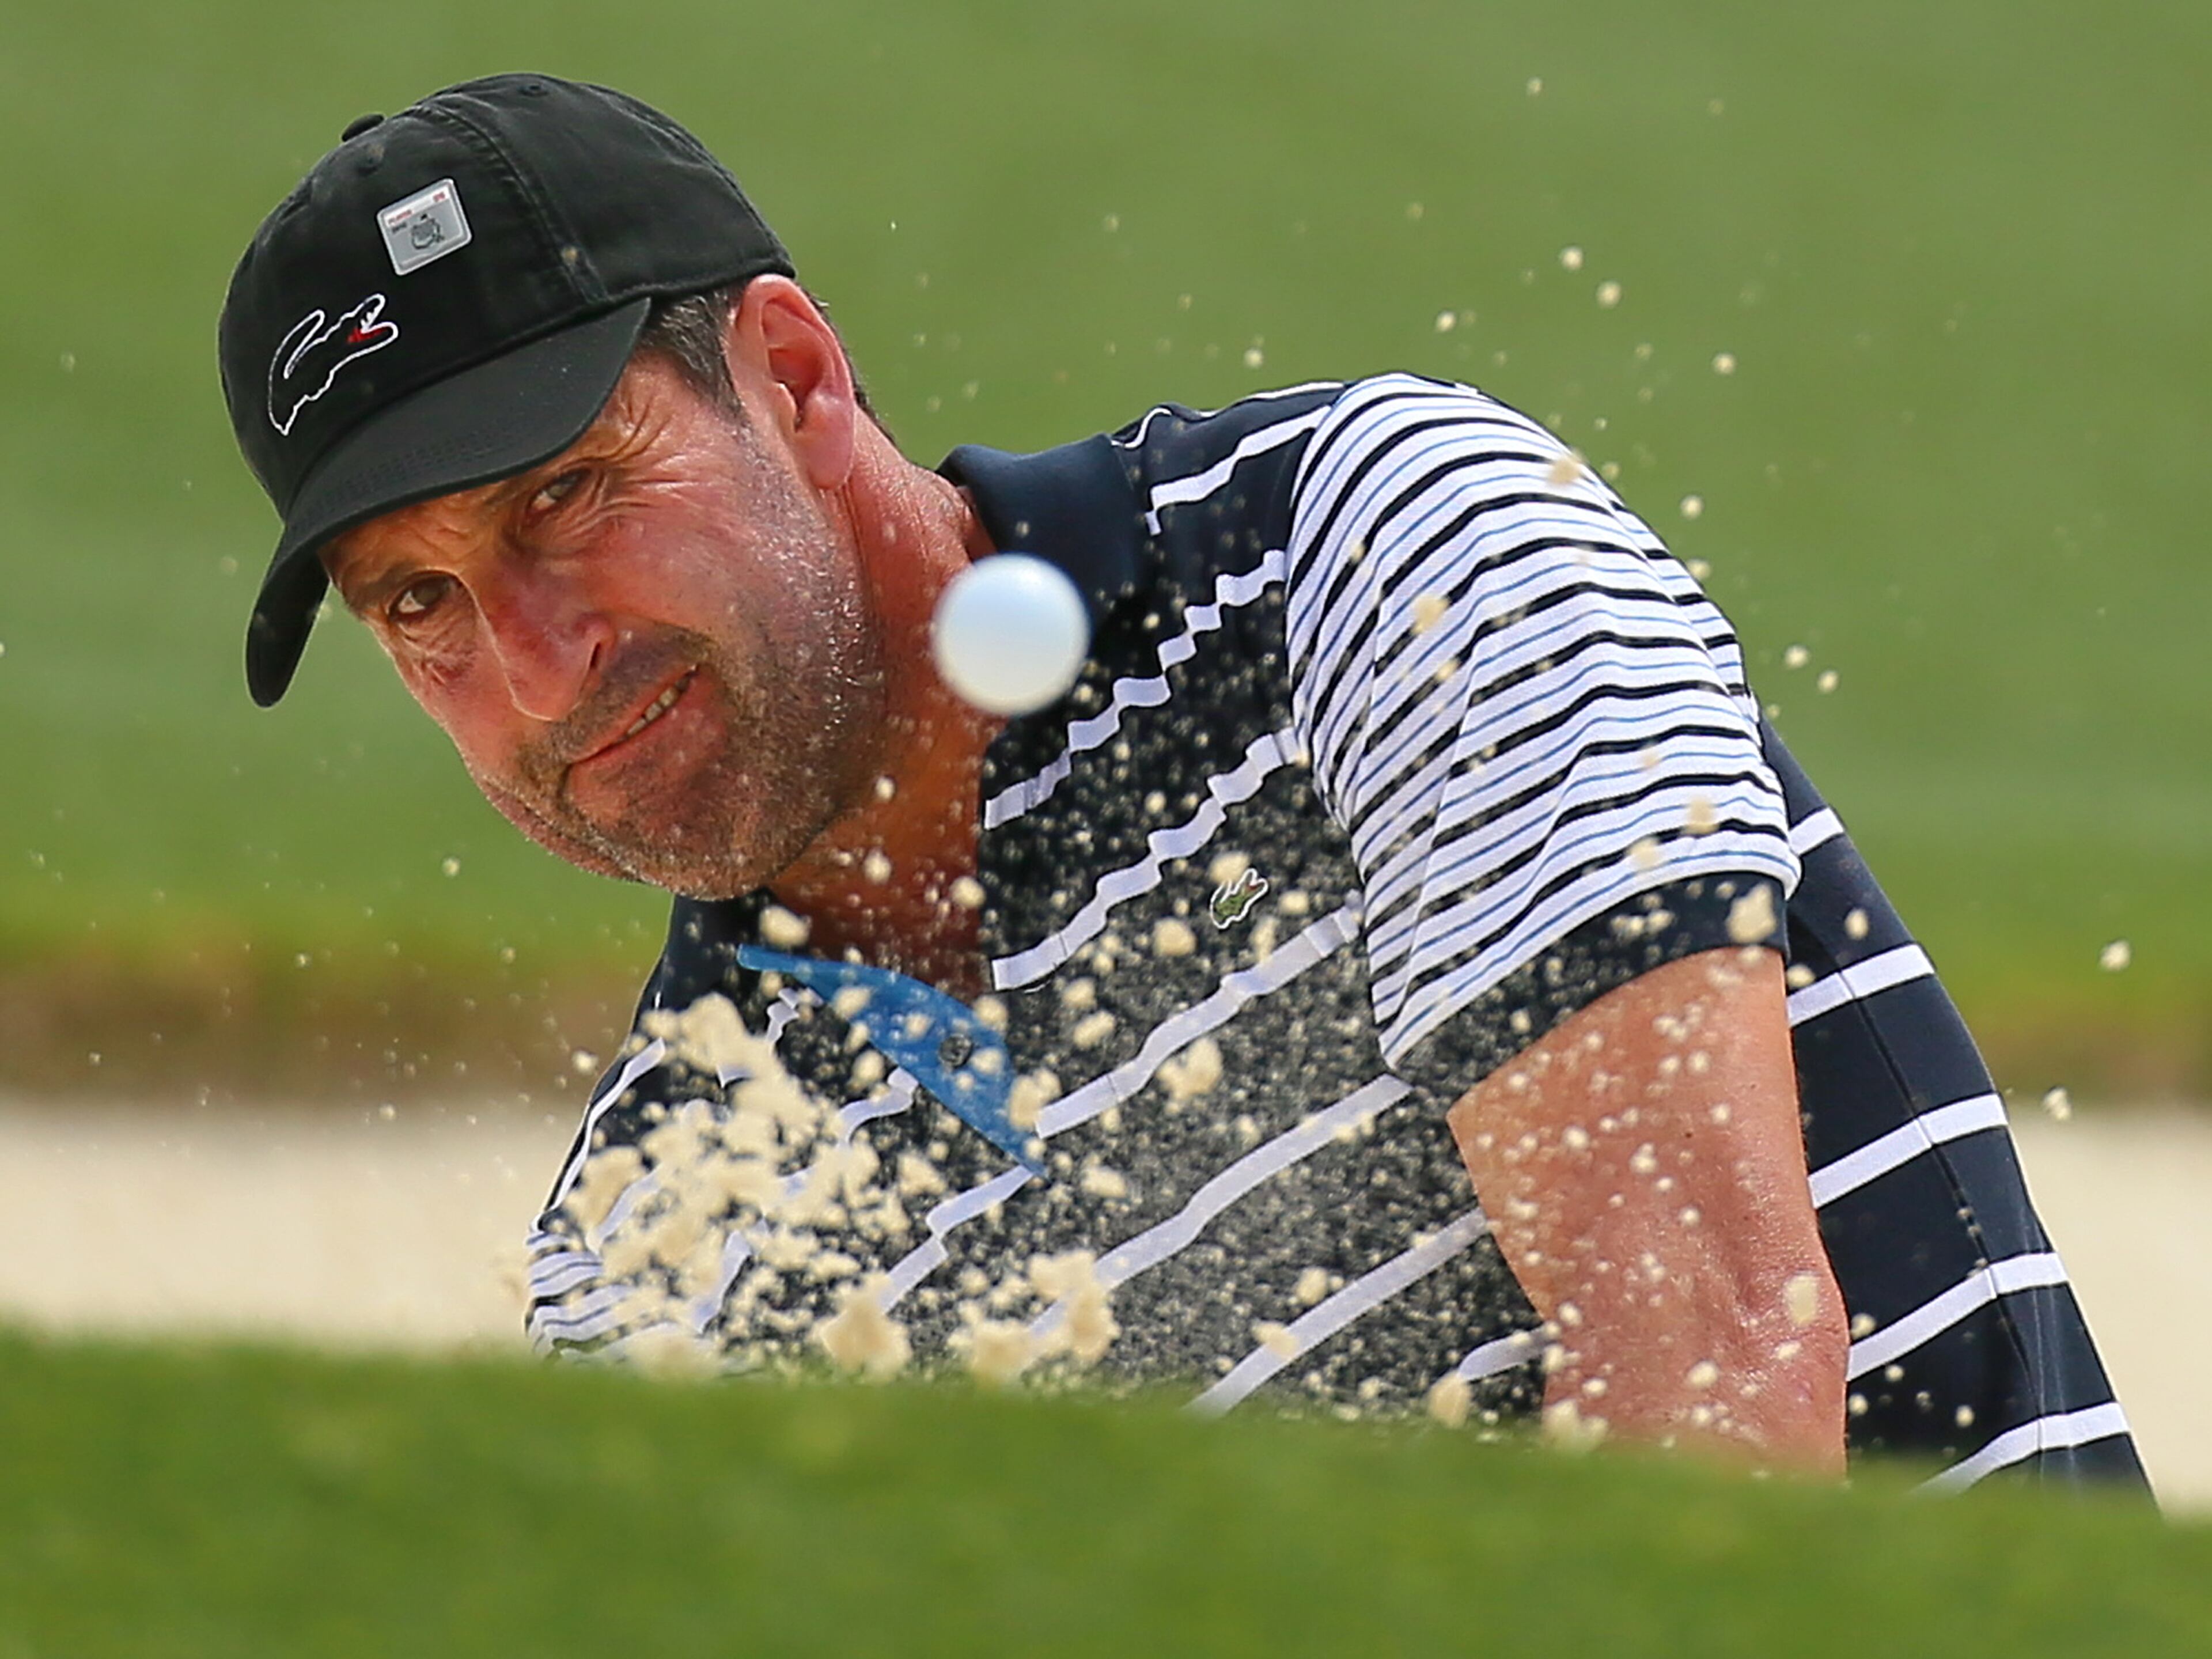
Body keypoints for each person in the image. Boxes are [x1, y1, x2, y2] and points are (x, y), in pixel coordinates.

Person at [217, 72, 2145, 1491]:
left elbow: (1713, 1387)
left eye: (570, 494)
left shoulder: (1367, 559)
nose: (537, 662)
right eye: (419, 603)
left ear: (794, 377)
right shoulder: (660, 1242)